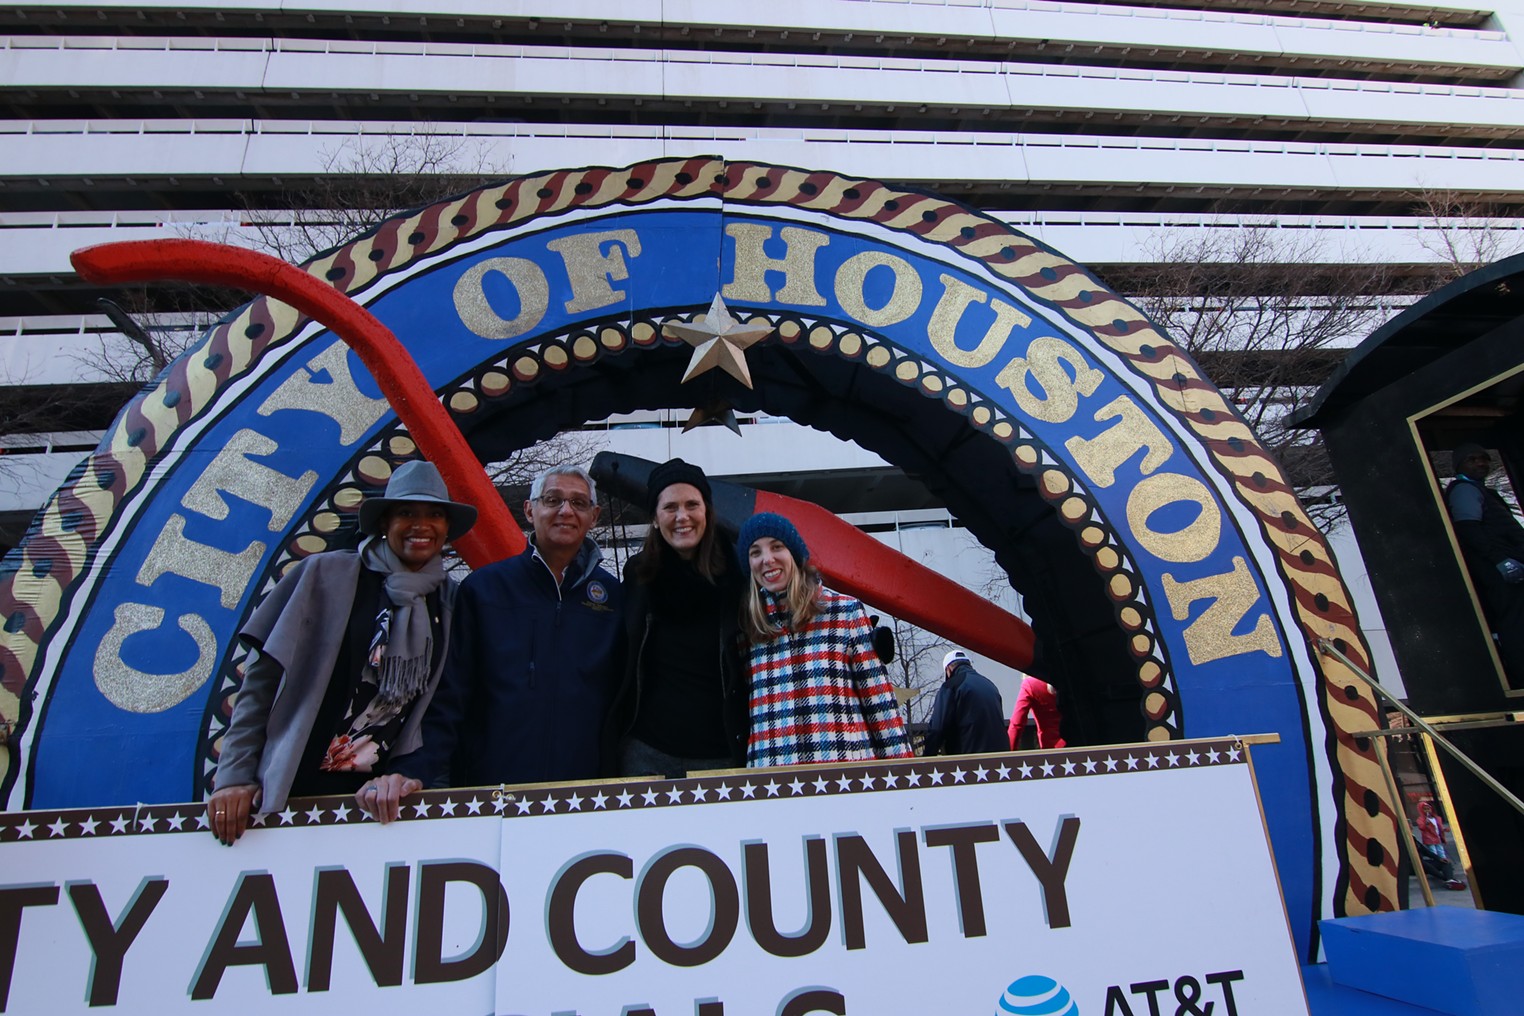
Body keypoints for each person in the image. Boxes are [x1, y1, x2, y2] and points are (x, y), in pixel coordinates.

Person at [207, 460, 476, 844]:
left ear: (447, 528)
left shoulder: (451, 601)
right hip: (291, 785)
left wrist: (408, 772)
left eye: (434, 514)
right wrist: (234, 775)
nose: (421, 524)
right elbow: (263, 682)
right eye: (406, 513)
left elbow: (443, 707)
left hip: (380, 801)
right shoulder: (323, 575)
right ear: (384, 522)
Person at [361, 464, 622, 821]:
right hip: (489, 793)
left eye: (578, 503)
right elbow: (450, 692)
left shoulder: (614, 598)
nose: (566, 511)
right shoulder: (484, 589)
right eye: (553, 499)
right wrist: (415, 768)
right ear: (530, 510)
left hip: (583, 796)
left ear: (594, 516)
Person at [606, 458, 748, 777]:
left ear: (707, 512)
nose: (682, 517)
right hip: (646, 754)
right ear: (655, 518)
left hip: (722, 757)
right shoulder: (637, 576)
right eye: (670, 507)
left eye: (692, 505)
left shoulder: (740, 575)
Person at [738, 511, 911, 767]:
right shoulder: (749, 629)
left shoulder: (844, 611)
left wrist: (904, 775)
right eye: (755, 552)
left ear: (794, 555)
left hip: (844, 780)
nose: (767, 559)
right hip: (772, 786)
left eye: (777, 547)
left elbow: (879, 704)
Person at [1443, 443, 1524, 681]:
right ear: (1460, 465)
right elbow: (1468, 528)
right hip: (1499, 568)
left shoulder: (1483, 491)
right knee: (1514, 622)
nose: (1480, 463)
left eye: (1484, 458)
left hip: (1511, 563)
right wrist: (1500, 560)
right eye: (1473, 459)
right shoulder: (1464, 490)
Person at [924, 650, 1009, 755]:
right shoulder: (990, 685)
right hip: (1001, 761)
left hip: (969, 762)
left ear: (948, 669)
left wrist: (926, 758)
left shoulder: (951, 686)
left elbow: (937, 728)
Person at [1417, 800, 1466, 891]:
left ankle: (1445, 865)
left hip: (1437, 838)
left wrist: (1444, 830)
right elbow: (1422, 828)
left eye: (1429, 808)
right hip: (1429, 838)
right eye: (1425, 809)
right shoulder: (1421, 820)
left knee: (1441, 852)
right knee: (1433, 852)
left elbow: (1438, 828)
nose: (1428, 811)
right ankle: (1438, 866)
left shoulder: (1436, 818)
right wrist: (1426, 823)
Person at [1009, 673, 1067, 750]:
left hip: (1051, 751)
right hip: (1081, 747)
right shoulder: (1071, 678)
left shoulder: (1031, 684)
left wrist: (1007, 754)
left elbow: (1017, 723)